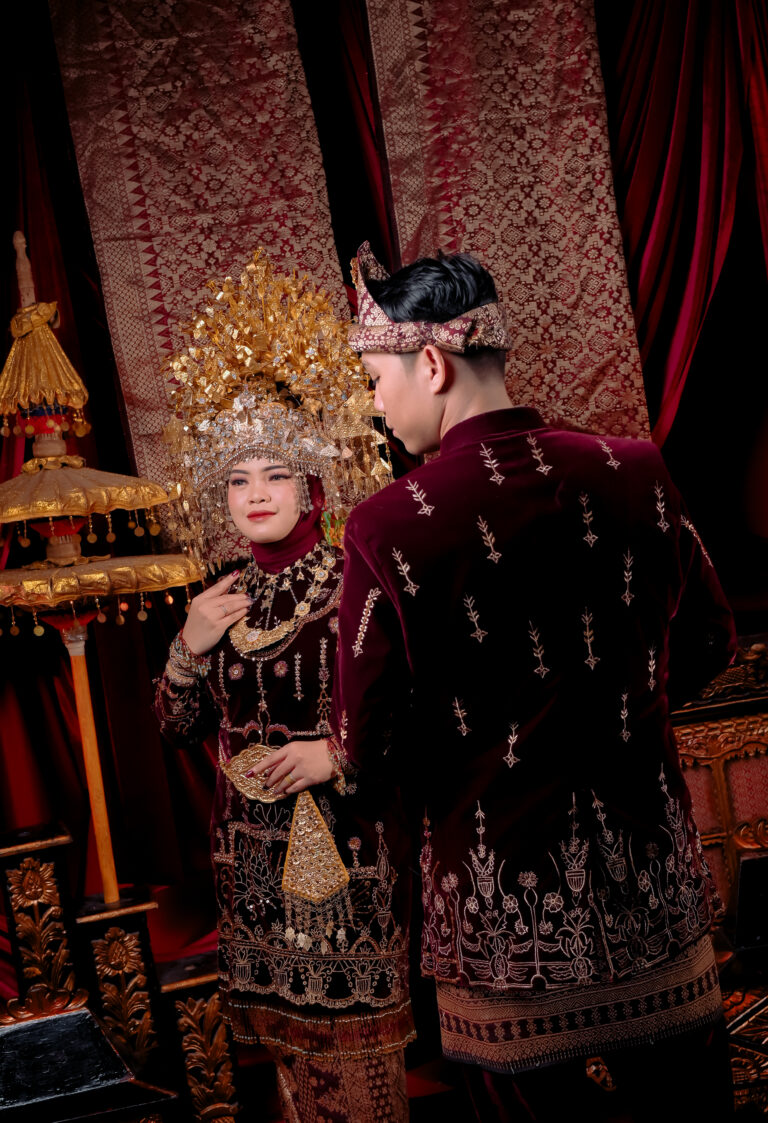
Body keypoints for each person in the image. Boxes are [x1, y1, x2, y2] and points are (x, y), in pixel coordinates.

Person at [327, 242, 737, 1120]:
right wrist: (621, 708)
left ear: (431, 363)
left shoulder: (386, 527)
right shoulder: (637, 467)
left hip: (501, 930)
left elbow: (364, 747)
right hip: (652, 900)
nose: (375, 404)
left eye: (376, 379)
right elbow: (712, 639)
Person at [155, 252, 413, 1123]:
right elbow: (177, 724)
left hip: (346, 854)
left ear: (312, 481)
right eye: (237, 479)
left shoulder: (354, 580)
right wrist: (188, 646)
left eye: (273, 474)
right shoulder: (220, 596)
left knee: (358, 1072)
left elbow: (410, 710)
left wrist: (334, 755)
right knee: (293, 1075)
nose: (255, 495)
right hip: (249, 864)